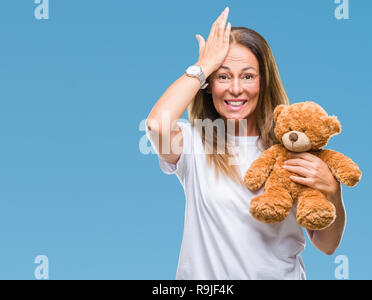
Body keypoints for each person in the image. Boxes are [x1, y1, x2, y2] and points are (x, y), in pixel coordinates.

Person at [145, 7, 345, 280]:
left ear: (263, 82)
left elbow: (327, 245)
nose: (235, 89)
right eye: (223, 76)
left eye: (248, 76)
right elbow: (157, 124)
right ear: (209, 84)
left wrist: (333, 192)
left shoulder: (295, 148)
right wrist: (203, 66)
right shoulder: (194, 141)